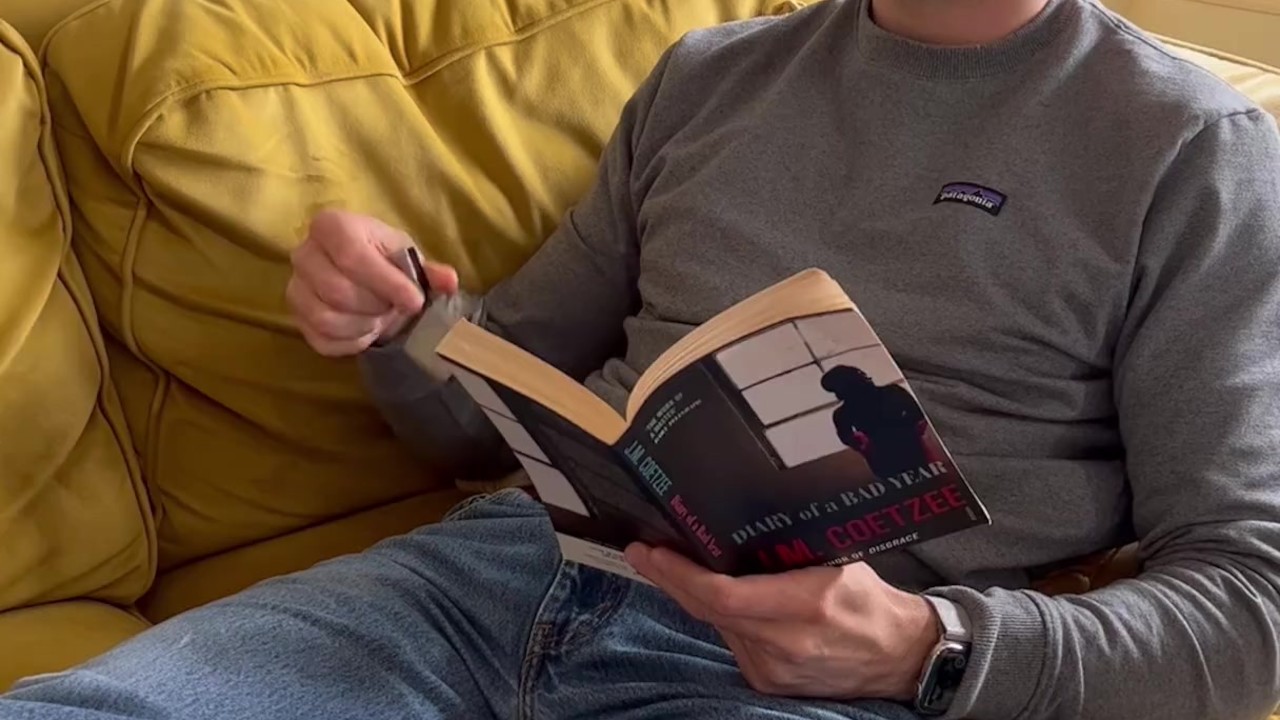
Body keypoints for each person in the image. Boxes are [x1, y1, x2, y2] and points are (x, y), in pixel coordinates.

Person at [4, 0, 1280, 718]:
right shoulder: (711, 77)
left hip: (807, 676)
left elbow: (1253, 602)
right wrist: (392, 320)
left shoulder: (1187, 149)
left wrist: (924, 647)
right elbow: (479, 417)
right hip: (488, 581)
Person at [821, 365, 932, 480]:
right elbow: (846, 437)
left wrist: (861, 444)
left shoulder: (843, 412)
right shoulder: (892, 391)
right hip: (888, 453)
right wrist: (860, 443)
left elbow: (919, 415)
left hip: (897, 451)